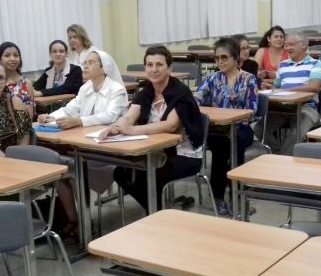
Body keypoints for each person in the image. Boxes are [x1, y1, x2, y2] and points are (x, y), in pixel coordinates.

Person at [100, 46, 205, 214]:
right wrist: (117, 127)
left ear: (169, 68)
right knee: (121, 173)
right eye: (149, 65)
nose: (153, 70)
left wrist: (132, 130)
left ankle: (159, 213)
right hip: (155, 153)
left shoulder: (181, 92)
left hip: (184, 155)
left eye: (159, 65)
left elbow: (170, 125)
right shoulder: (147, 92)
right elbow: (130, 116)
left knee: (150, 175)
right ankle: (162, 211)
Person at [37, 50, 128, 241]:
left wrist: (79, 121)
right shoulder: (85, 88)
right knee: (60, 171)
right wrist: (51, 116)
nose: (85, 66)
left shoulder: (117, 90)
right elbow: (69, 109)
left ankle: (86, 223)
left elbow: (110, 117)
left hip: (108, 153)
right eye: (85, 62)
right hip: (84, 148)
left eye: (91, 63)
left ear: (104, 69)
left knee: (73, 172)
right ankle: (75, 219)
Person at [194, 38, 258, 215]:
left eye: (224, 57)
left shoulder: (248, 79)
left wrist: (233, 117)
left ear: (236, 57)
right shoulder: (212, 79)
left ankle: (237, 192)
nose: (220, 62)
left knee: (235, 143)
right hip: (218, 130)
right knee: (221, 147)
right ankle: (219, 196)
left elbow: (253, 109)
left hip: (241, 128)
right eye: (216, 58)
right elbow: (195, 101)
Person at [255, 31, 321, 156]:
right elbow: (278, 86)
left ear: (303, 45)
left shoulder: (315, 64)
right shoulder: (283, 65)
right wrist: (271, 87)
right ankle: (279, 155)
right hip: (283, 107)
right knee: (260, 129)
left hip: (306, 108)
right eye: (286, 45)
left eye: (291, 45)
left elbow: (315, 86)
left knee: (295, 135)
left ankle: (282, 163)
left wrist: (288, 90)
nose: (288, 48)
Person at [0, 42, 35, 118]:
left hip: (23, 126)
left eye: (16, 55)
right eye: (7, 55)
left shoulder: (26, 83)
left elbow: (30, 115)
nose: (12, 59)